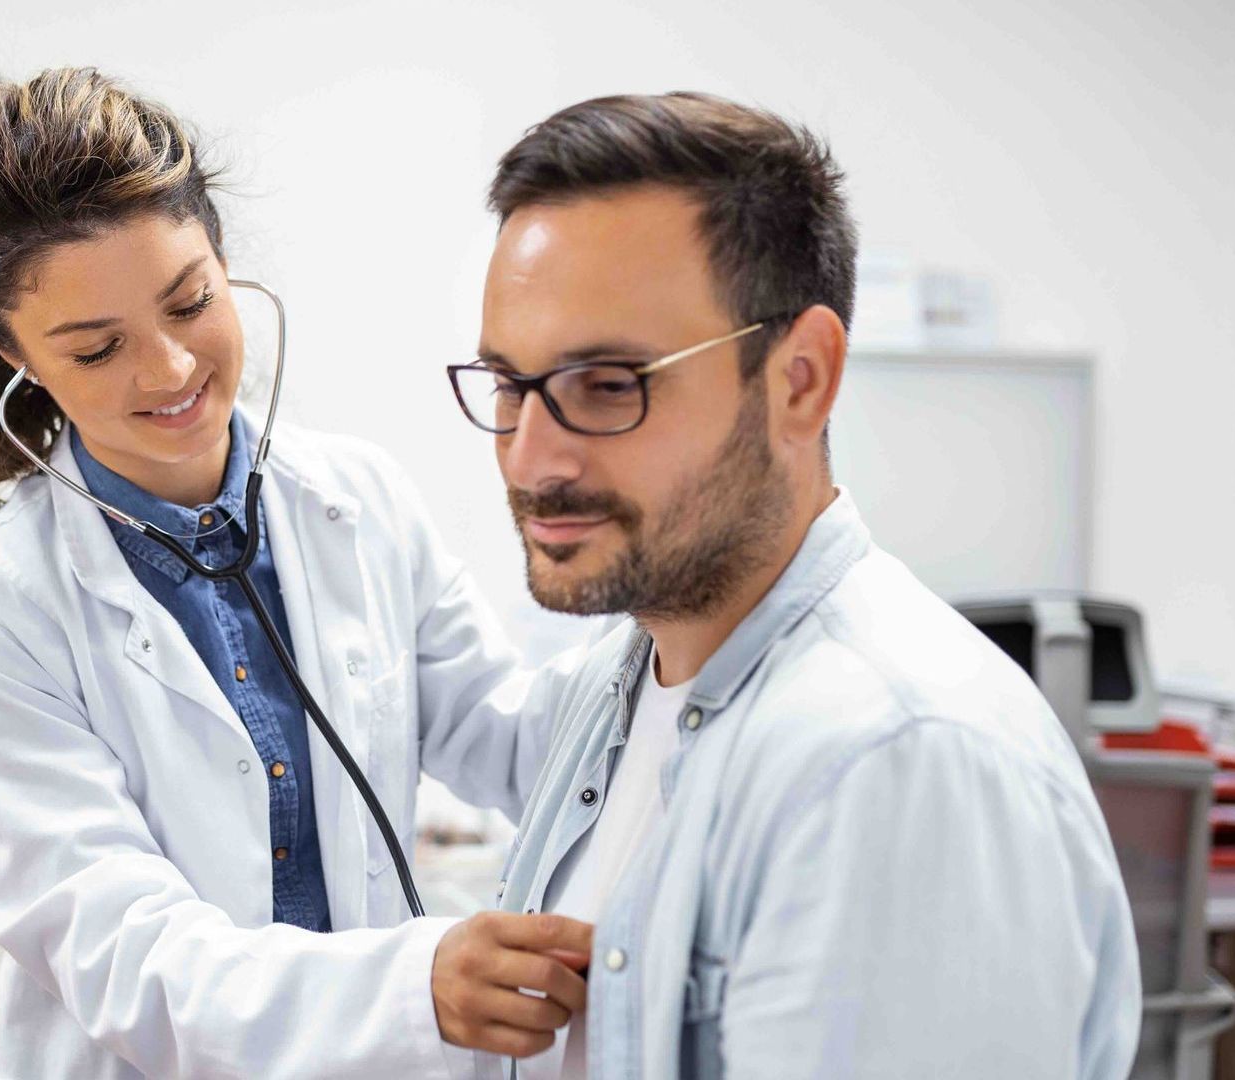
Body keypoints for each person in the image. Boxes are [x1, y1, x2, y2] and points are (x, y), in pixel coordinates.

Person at [445, 92, 1141, 1078]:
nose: (532, 459)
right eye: (511, 387)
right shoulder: (623, 677)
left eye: (609, 386)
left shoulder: (892, 764)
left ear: (801, 379)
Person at [0, 68, 593, 1079]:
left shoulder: (357, 501)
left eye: (190, 303)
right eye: (97, 350)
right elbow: (126, 956)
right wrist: (409, 988)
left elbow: (508, 735)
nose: (171, 370)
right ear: (12, 353)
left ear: (224, 262)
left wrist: (671, 604)